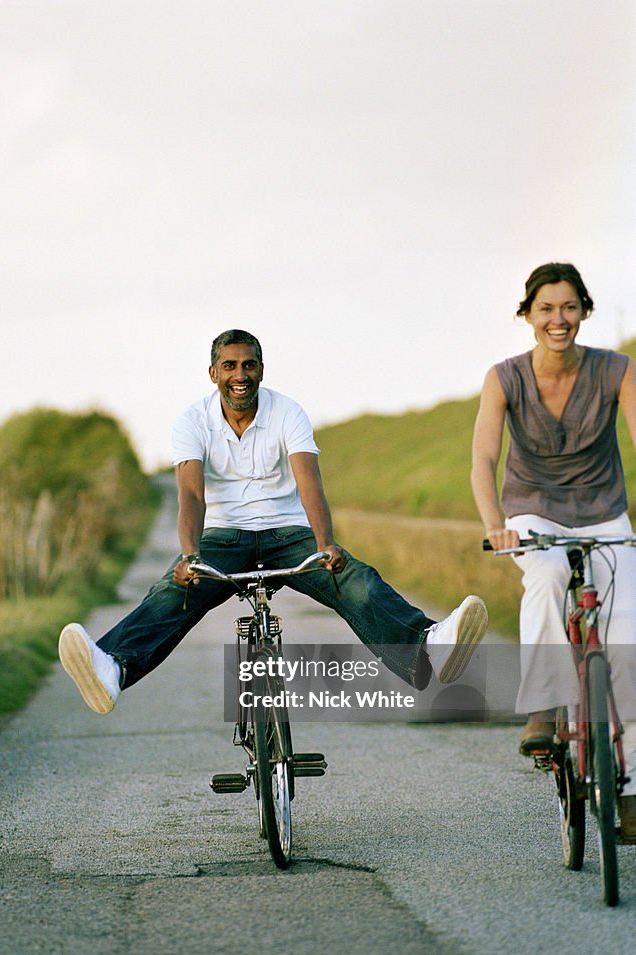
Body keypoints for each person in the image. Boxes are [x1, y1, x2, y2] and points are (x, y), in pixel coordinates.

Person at [59, 328, 488, 719]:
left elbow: (309, 483)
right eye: (229, 366)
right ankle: (113, 667)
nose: (239, 375)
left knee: (353, 577)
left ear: (262, 370)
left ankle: (428, 644)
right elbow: (190, 495)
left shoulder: (288, 412)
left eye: (249, 365)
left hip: (288, 534)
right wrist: (191, 556)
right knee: (175, 590)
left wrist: (326, 544)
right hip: (222, 539)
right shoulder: (192, 421)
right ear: (213, 373)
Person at [471, 262, 636, 842]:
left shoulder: (617, 370)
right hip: (532, 511)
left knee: (626, 630)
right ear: (528, 316)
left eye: (568, 307)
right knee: (542, 578)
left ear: (584, 311)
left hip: (604, 510)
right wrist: (497, 525)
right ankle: (543, 706)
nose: (558, 319)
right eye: (546, 308)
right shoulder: (504, 378)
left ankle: (632, 785)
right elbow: (484, 461)